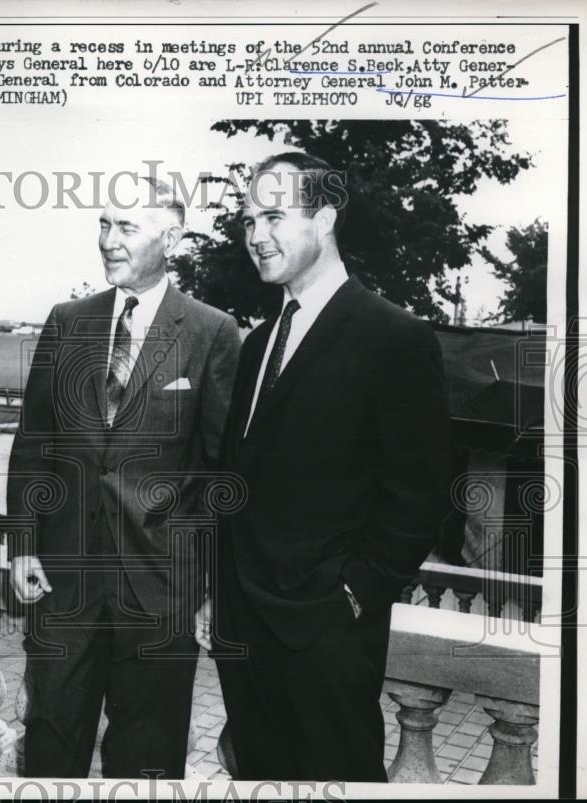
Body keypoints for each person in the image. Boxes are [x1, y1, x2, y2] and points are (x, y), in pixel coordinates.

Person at [198, 152, 453, 781]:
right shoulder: (257, 341)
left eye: (275, 217)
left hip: (327, 635)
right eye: (249, 221)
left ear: (326, 217)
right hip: (243, 629)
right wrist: (216, 591)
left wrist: (352, 595)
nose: (257, 236)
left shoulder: (396, 337)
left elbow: (419, 493)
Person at [6, 177, 241, 779]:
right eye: (104, 225)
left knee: (147, 757)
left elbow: (220, 471)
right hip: (64, 583)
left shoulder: (213, 331)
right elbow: (34, 444)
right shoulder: (67, 320)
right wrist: (23, 545)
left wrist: (208, 583)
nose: (109, 241)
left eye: (126, 228)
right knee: (50, 741)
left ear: (171, 237)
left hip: (161, 590)